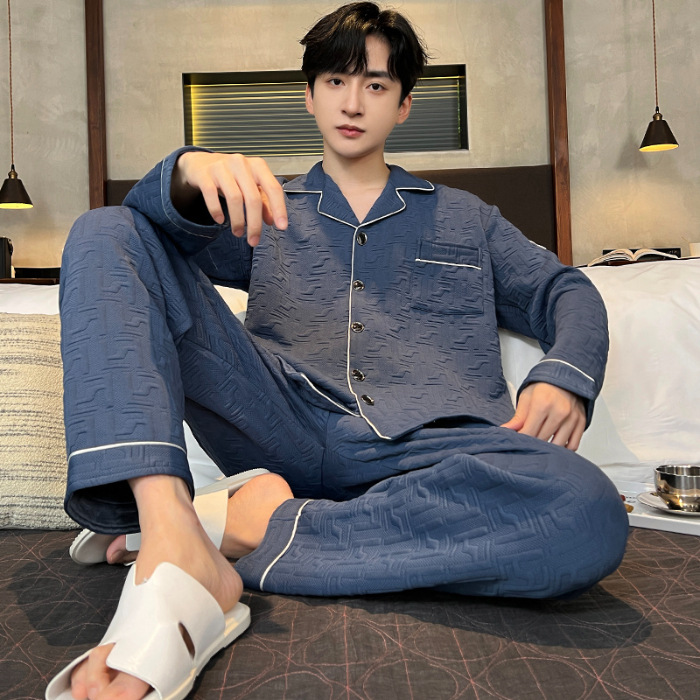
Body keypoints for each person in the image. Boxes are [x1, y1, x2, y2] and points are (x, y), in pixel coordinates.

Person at [47, 3, 628, 699]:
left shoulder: (468, 218)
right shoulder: (265, 203)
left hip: (430, 450)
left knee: (586, 510)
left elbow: (566, 289)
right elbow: (137, 245)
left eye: (376, 85)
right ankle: (172, 533)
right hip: (279, 420)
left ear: (404, 105)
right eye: (335, 81)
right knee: (103, 229)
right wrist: (188, 170)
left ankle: (244, 525)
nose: (353, 103)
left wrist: (564, 375)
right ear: (310, 94)